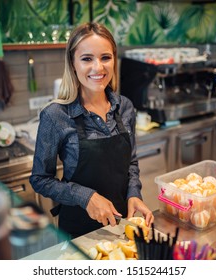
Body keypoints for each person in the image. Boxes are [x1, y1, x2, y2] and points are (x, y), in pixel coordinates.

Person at [29, 22, 154, 239]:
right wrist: (85, 196)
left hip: (121, 226)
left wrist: (134, 194)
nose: (98, 68)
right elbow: (40, 179)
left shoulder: (125, 107)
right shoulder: (55, 115)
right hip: (78, 233)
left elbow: (131, 163)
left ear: (114, 60)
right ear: (72, 63)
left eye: (105, 57)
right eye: (87, 58)